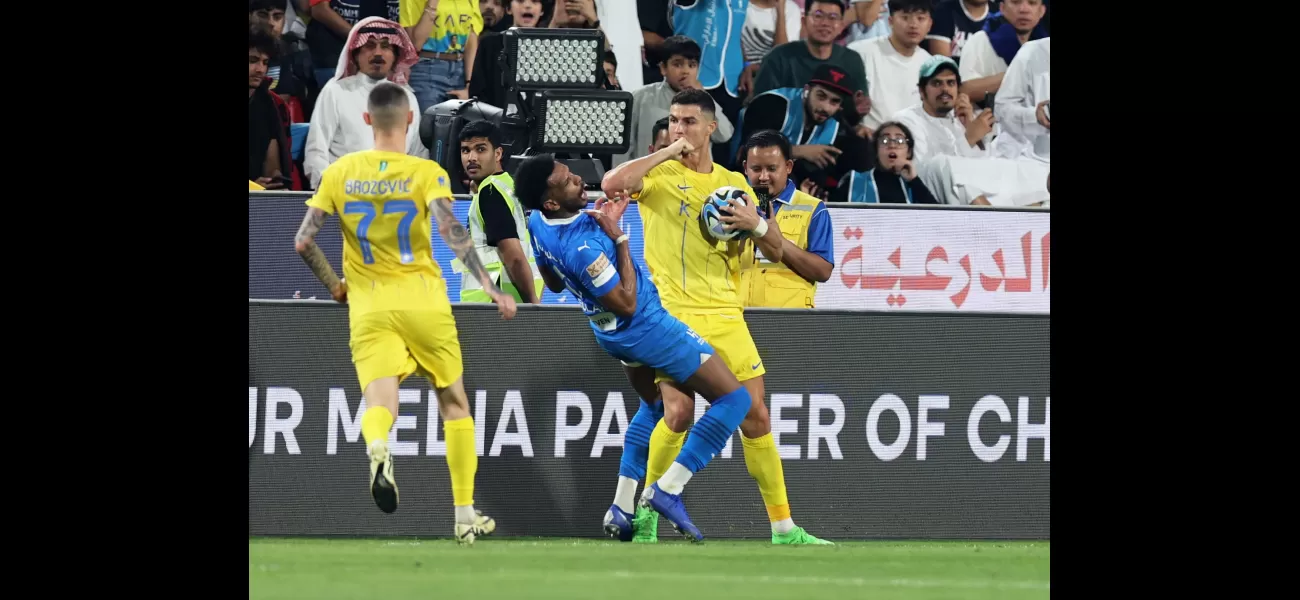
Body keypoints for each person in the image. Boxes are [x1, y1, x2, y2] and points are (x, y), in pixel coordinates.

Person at [601, 88, 833, 546]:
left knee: (756, 416)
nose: (680, 129)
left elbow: (772, 249)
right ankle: (648, 513)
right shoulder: (660, 175)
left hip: (726, 312)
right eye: (673, 121)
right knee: (678, 410)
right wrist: (666, 149)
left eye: (689, 122)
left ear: (712, 127)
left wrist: (757, 224)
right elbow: (612, 184)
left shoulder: (734, 183)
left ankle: (784, 529)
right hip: (671, 313)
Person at [293, 81, 517, 544]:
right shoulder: (425, 171)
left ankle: (378, 446)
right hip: (423, 300)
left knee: (380, 402)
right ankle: (462, 513)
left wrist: (336, 285)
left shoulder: (339, 173)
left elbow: (303, 241)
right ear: (411, 119)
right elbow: (452, 230)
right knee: (454, 403)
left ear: (367, 119)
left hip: (368, 303)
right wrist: (489, 286)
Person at [514, 154, 756, 543]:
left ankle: (621, 508)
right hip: (645, 327)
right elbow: (625, 302)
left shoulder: (538, 223)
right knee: (735, 400)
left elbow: (555, 284)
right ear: (551, 202)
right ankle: (669, 488)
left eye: (570, 172)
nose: (578, 178)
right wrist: (620, 237)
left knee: (656, 407)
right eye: (567, 180)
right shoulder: (587, 246)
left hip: (609, 335)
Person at [304, 17, 429, 190]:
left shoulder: (406, 96)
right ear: (355, 54)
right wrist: (327, 190)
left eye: (385, 46)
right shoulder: (336, 90)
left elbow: (418, 154)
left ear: (395, 56)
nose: (378, 53)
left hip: (397, 196)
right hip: (345, 194)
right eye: (369, 46)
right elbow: (316, 149)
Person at [738, 64, 872, 199]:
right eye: (821, 96)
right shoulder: (773, 104)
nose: (825, 107)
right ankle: (765, 213)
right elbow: (747, 153)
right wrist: (801, 151)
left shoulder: (835, 122)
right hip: (744, 180)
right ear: (807, 90)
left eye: (834, 101)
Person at [737, 130, 835, 308]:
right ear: (745, 168)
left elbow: (823, 271)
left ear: (788, 167)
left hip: (788, 321)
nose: (764, 177)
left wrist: (774, 239)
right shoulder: (735, 206)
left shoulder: (813, 209)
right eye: (756, 169)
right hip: (736, 316)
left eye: (772, 169)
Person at [457, 120, 543, 304]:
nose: (471, 157)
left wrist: (533, 303)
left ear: (498, 153)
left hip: (492, 307)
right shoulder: (508, 185)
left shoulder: (490, 193)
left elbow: (514, 257)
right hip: (513, 301)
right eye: (465, 150)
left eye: (480, 149)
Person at [618, 36, 735, 163]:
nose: (685, 71)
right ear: (663, 68)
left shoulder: (704, 101)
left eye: (692, 65)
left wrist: (704, 96)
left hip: (692, 179)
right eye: (677, 64)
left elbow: (724, 135)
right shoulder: (639, 98)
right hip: (648, 177)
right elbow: (623, 147)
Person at [848, 0, 934, 131]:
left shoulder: (929, 64)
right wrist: (855, 127)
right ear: (890, 21)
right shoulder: (860, 53)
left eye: (921, 18)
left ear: (929, 25)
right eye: (905, 17)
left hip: (912, 144)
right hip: (869, 140)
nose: (913, 25)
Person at [401, 0, 483, 114]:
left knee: (458, 129)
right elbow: (416, 44)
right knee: (429, 128)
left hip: (460, 71)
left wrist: (469, 84)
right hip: (426, 69)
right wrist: (432, 4)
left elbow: (471, 38)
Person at [833, 121, 941, 203]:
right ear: (876, 150)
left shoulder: (915, 185)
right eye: (884, 140)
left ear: (908, 152)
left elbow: (938, 220)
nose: (892, 145)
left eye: (899, 141)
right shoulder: (854, 181)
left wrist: (913, 180)